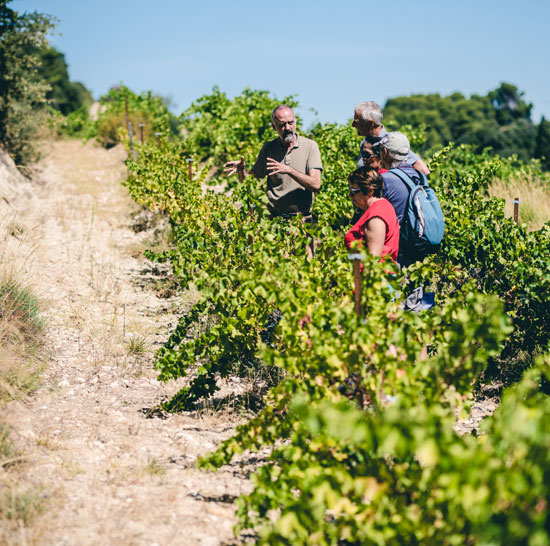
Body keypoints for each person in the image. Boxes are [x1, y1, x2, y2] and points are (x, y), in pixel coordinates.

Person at [224, 105, 323, 218]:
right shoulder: (269, 149)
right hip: (275, 221)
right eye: (282, 124)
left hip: (302, 221)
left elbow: (315, 184)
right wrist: (242, 171)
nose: (288, 128)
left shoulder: (310, 146)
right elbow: (249, 182)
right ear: (274, 127)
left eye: (291, 123)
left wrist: (289, 170)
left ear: (295, 122)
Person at [352, 101, 430, 175]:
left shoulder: (391, 143)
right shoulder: (366, 141)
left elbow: (423, 170)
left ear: (370, 124)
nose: (353, 125)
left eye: (356, 122)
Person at [344, 167, 399, 262]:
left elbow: (372, 260)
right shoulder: (382, 205)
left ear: (370, 191)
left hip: (376, 275)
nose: (350, 195)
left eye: (354, 192)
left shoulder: (376, 218)